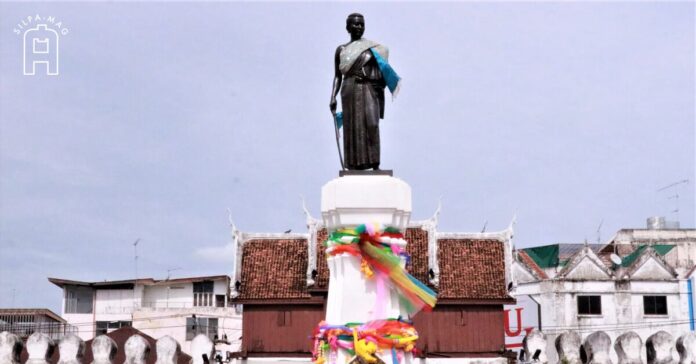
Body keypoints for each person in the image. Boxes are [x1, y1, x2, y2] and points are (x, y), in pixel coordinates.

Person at [329, 13, 390, 171]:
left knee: (372, 123)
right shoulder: (342, 50)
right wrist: (332, 97)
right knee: (352, 126)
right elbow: (337, 76)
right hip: (349, 88)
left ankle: (375, 163)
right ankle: (353, 165)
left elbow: (383, 71)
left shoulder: (373, 49)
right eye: (355, 24)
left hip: (368, 87)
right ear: (348, 27)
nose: (359, 27)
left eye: (361, 24)